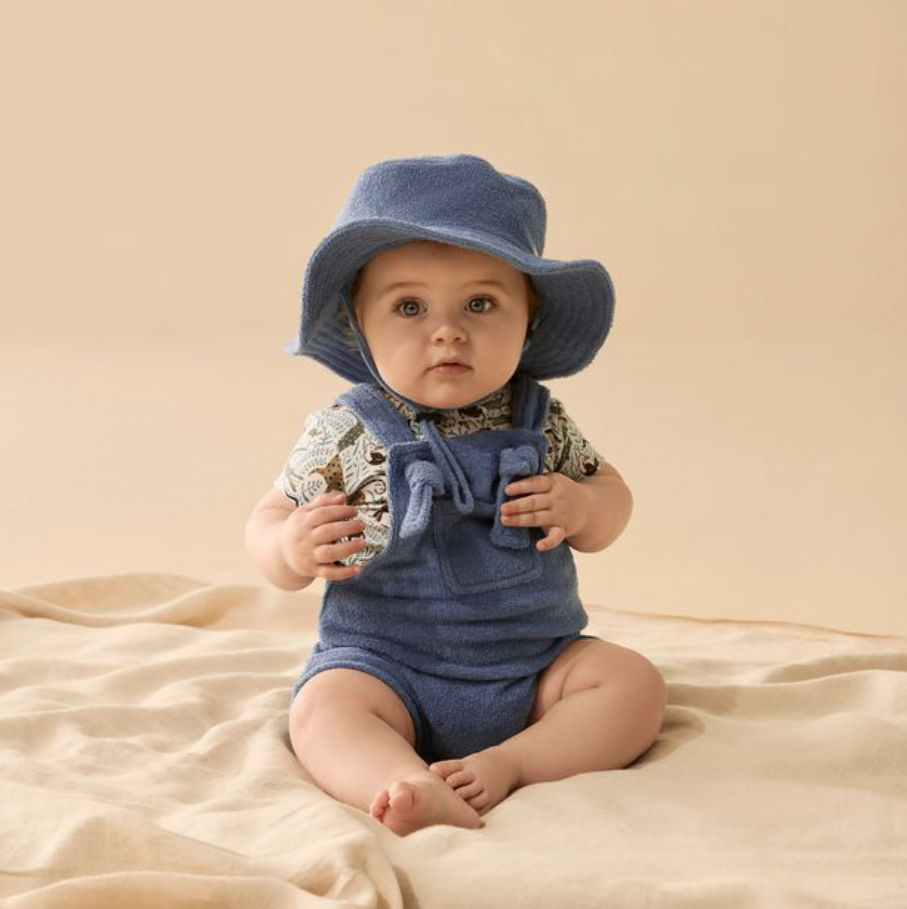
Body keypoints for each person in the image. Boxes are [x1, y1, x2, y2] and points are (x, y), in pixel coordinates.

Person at [245, 154, 667, 836]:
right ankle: (400, 780)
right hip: (387, 667)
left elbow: (610, 492)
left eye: (480, 303)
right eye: (409, 306)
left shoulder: (539, 420)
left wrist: (584, 507)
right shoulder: (347, 430)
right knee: (324, 707)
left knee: (632, 683)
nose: (447, 330)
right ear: (359, 323)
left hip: (535, 668)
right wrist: (289, 548)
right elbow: (268, 518)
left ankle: (515, 761)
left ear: (529, 318)